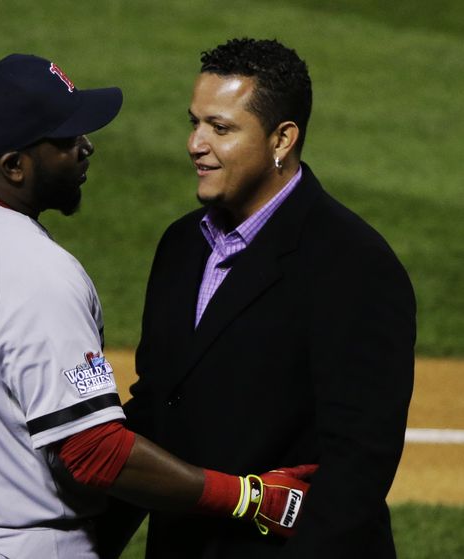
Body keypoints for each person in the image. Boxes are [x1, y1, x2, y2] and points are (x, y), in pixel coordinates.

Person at [0, 53, 316, 559]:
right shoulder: (33, 272)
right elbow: (94, 453)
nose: (85, 147)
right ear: (14, 166)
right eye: (65, 140)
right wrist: (247, 499)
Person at [97, 38, 417, 558]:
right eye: (194, 123)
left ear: (281, 139)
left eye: (220, 128)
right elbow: (159, 405)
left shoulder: (353, 265)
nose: (195, 144)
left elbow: (357, 467)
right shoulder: (182, 245)